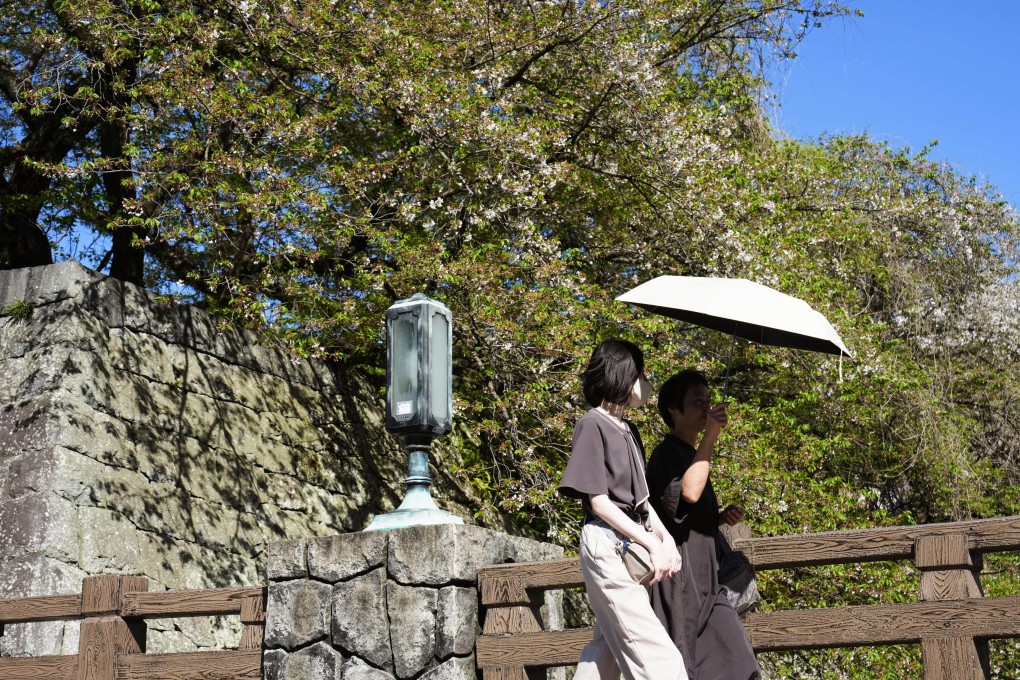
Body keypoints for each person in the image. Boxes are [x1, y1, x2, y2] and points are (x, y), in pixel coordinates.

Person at [558, 339, 689, 680]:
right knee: (658, 659)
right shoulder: (592, 423)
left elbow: (642, 502)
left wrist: (665, 540)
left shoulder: (629, 430)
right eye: (640, 374)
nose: (644, 384)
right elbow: (599, 503)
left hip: (627, 546)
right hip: (608, 546)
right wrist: (651, 544)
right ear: (622, 375)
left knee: (606, 654)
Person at [645, 370, 759, 680]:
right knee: (688, 669)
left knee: (740, 666)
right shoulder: (666, 455)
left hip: (709, 584)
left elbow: (686, 514)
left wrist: (721, 518)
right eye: (697, 402)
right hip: (681, 586)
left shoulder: (692, 454)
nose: (706, 408)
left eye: (708, 401)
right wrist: (710, 435)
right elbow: (689, 494)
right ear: (673, 409)